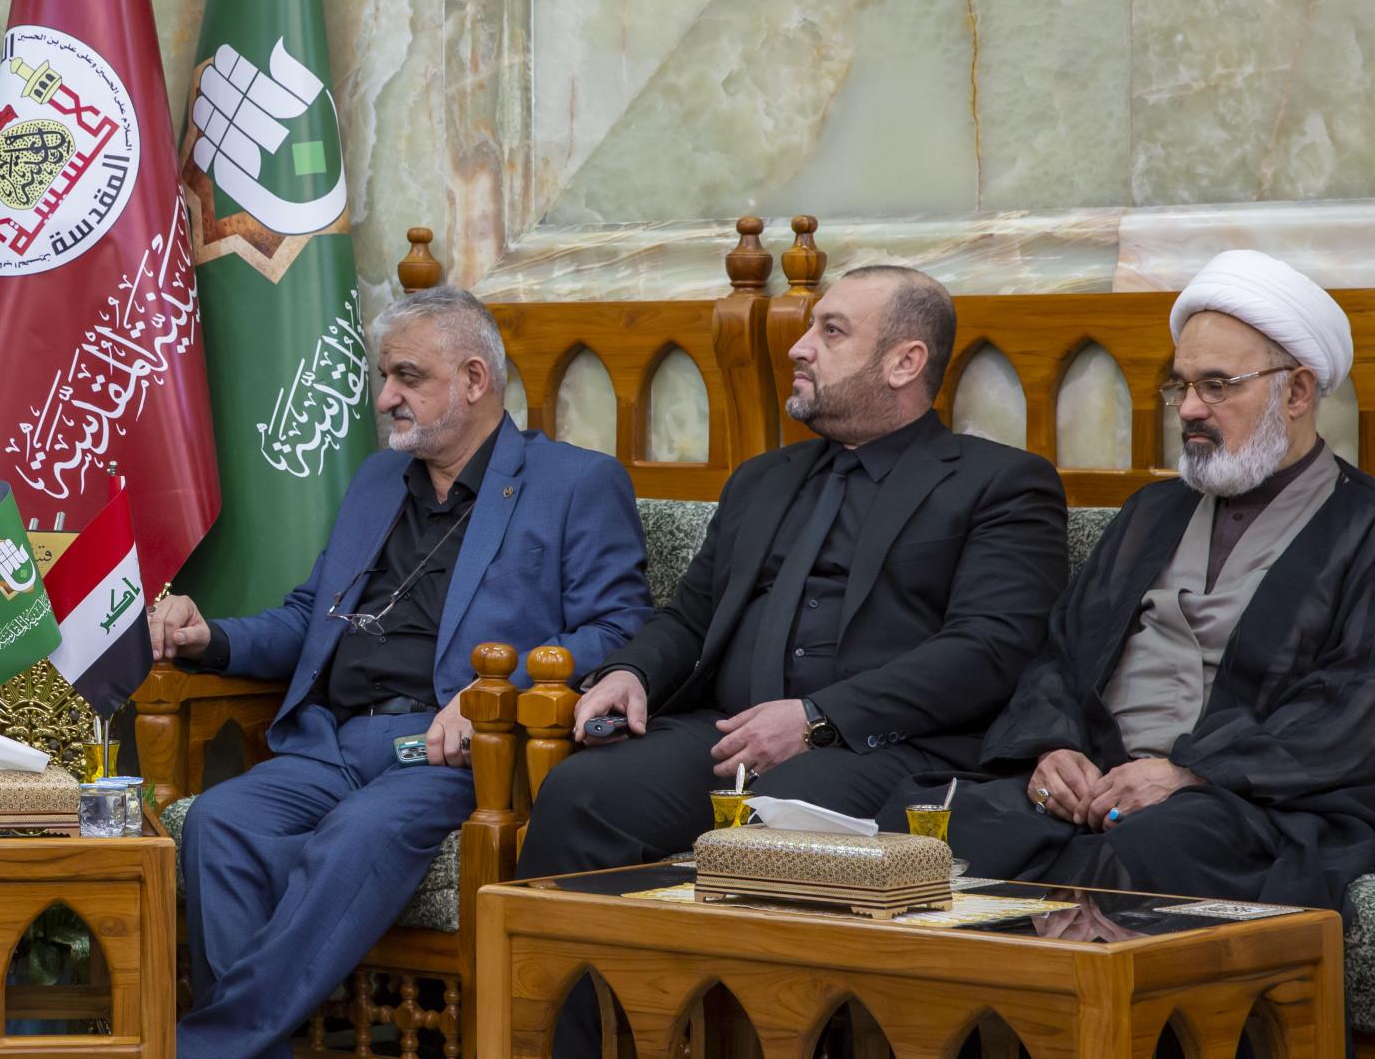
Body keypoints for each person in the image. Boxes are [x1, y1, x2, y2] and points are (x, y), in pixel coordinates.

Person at [512, 265, 1068, 1056]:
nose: (800, 348)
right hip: (728, 733)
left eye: (830, 331)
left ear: (905, 362)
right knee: (583, 794)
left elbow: (990, 647)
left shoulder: (1001, 484)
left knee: (783, 815)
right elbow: (691, 615)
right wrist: (628, 673)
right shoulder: (763, 480)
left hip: (884, 748)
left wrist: (817, 717)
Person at [146, 285, 651, 1059]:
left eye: (407, 376)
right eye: (385, 376)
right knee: (221, 821)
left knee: (359, 832)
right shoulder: (379, 479)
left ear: (474, 379)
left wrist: (495, 694)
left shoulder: (575, 482)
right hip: (334, 741)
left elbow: (618, 629)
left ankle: (200, 1047)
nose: (385, 398)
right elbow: (309, 616)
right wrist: (208, 636)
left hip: (454, 752)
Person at [903, 250, 1375, 918]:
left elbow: (1352, 708)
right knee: (930, 824)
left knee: (1150, 850)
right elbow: (1060, 655)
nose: (1190, 409)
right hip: (1098, 780)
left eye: (1217, 385)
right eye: (1181, 386)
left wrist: (1191, 774)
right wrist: (1054, 749)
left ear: (1297, 393)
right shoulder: (1153, 512)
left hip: (1247, 798)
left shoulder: (1362, 525)